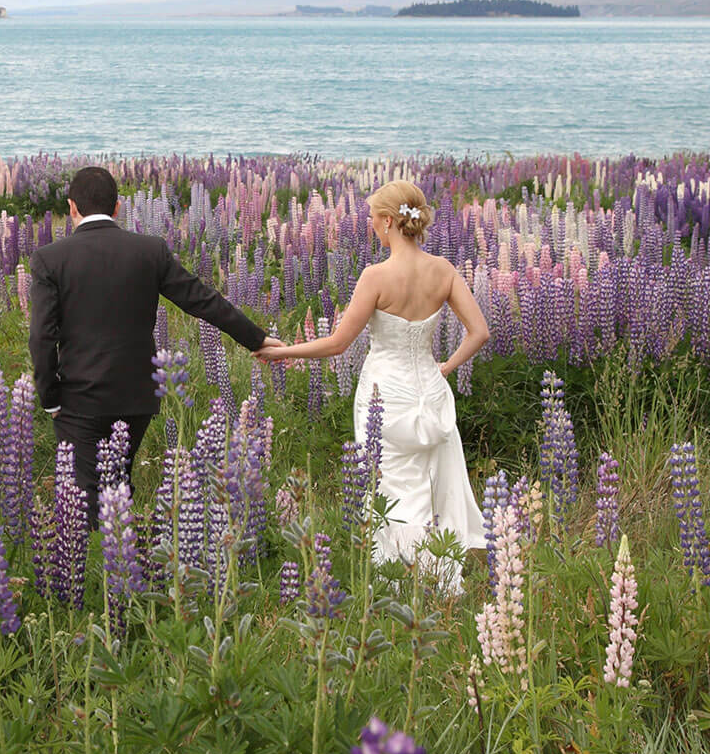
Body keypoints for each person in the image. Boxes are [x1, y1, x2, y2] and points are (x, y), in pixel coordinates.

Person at [257, 179, 488, 592]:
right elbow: (480, 333)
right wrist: (447, 367)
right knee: (431, 483)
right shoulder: (444, 271)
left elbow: (338, 342)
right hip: (430, 391)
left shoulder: (376, 276)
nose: (369, 225)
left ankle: (395, 581)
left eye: (372, 218)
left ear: (387, 222)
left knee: (389, 486)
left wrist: (283, 351)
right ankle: (439, 577)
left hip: (386, 393)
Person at [28, 166, 280, 528]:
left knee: (83, 498)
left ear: (71, 207)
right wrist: (255, 337)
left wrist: (50, 397)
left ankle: (99, 574)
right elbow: (200, 299)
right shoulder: (148, 250)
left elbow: (41, 336)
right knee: (118, 483)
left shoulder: (51, 259)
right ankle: (123, 567)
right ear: (117, 208)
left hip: (79, 398)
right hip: (136, 398)